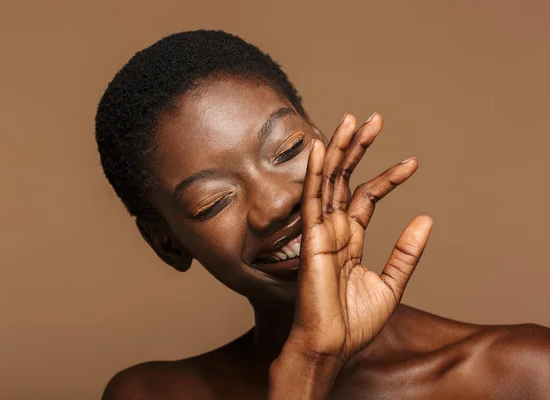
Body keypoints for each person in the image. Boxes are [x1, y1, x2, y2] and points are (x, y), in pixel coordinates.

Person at [95, 30, 550, 399]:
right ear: (166, 243)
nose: (275, 204)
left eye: (289, 149)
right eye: (213, 201)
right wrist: (309, 366)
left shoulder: (524, 374)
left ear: (321, 137)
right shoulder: (152, 393)